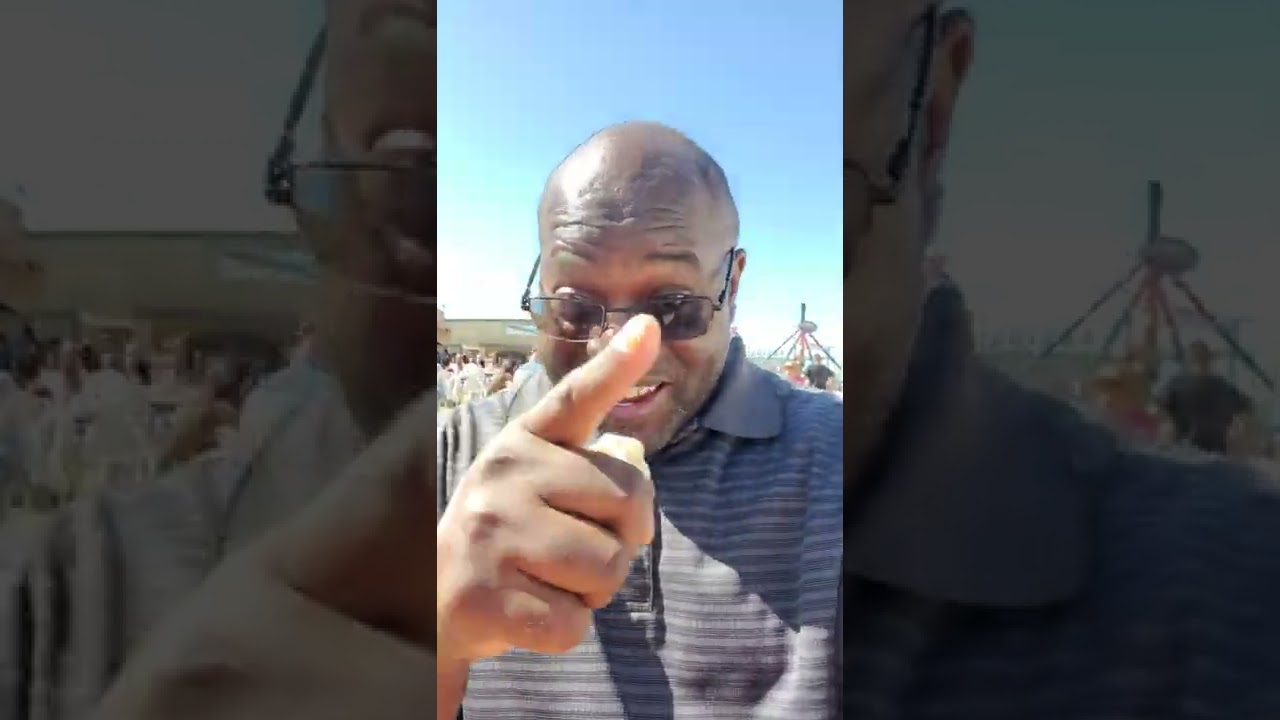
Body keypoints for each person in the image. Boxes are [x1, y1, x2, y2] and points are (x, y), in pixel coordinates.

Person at [3, 2, 1280, 719]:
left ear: (927, 117)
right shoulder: (85, 605)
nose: (623, 367)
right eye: (410, 192)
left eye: (672, 307)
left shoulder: (1224, 621)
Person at [1158, 339, 1253, 453]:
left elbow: (1160, 412)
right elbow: (1247, 410)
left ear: (1190, 360)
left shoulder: (1178, 384)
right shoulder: (1225, 388)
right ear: (1209, 360)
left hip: (1185, 452)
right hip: (1213, 454)